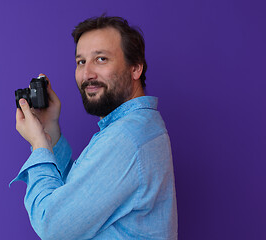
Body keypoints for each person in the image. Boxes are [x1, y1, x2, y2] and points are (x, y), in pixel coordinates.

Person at [11, 15, 178, 240]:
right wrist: (49, 129)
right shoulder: (135, 127)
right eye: (81, 62)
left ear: (135, 68)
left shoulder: (126, 138)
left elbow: (51, 226)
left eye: (101, 59)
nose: (87, 74)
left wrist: (39, 145)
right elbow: (77, 196)